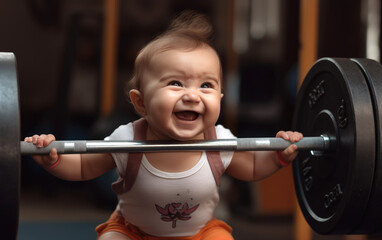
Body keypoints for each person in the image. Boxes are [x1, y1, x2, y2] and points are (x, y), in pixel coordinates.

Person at [25, 11, 303, 240]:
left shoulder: (219, 139)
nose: (192, 95)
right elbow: (85, 167)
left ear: (219, 98)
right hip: (133, 231)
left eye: (206, 85)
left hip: (198, 233)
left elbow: (253, 167)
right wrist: (51, 160)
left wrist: (279, 156)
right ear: (141, 103)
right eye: (175, 83)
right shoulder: (127, 139)